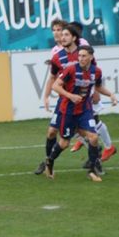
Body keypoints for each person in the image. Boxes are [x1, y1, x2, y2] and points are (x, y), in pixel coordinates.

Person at [44, 46, 118, 182]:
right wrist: (70, 95)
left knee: (94, 138)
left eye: (84, 56)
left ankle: (92, 170)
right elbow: (56, 86)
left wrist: (111, 94)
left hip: (85, 110)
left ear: (91, 57)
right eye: (80, 56)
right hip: (68, 111)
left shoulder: (96, 71)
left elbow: (98, 86)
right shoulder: (71, 69)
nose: (81, 58)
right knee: (65, 143)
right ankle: (50, 161)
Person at [35, 24, 81, 174]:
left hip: (81, 101)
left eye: (64, 34)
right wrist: (47, 96)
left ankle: (96, 162)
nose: (61, 37)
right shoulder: (57, 56)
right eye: (60, 34)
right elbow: (53, 78)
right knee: (51, 132)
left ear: (73, 37)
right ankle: (49, 162)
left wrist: (95, 94)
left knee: (89, 134)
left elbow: (92, 73)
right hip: (64, 100)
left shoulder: (83, 54)